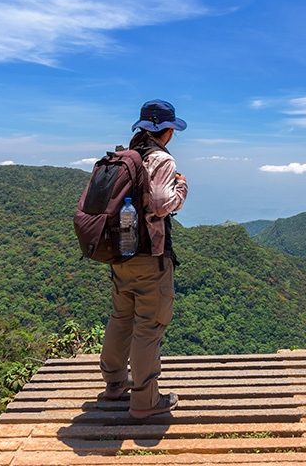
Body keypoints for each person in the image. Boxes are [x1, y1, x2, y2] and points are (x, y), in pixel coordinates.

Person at [98, 99, 188, 419]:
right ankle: (145, 401)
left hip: (120, 252)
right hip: (150, 256)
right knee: (149, 326)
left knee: (121, 317)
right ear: (166, 131)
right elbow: (163, 205)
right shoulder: (161, 159)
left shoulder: (128, 156)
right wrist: (181, 189)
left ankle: (114, 384)